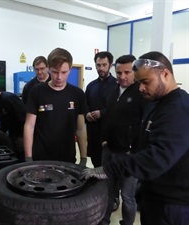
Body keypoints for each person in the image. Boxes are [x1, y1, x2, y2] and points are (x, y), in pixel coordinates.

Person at [81, 51, 189, 225]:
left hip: (174, 205)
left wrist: (109, 168)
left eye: (146, 82)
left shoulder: (179, 109)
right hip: (154, 197)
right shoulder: (156, 104)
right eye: (139, 83)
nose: (140, 88)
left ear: (166, 74)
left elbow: (158, 157)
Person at [99, 54, 146, 225]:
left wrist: (135, 149)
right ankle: (104, 220)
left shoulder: (142, 94)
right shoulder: (112, 92)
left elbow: (144, 125)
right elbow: (107, 117)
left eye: (127, 72)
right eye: (119, 73)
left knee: (127, 195)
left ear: (134, 72)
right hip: (110, 150)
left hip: (130, 155)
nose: (122, 76)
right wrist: (104, 140)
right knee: (107, 190)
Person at [24, 47, 87, 165]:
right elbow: (29, 126)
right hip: (41, 157)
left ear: (70, 69)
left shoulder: (77, 94)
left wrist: (83, 158)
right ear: (49, 69)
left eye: (64, 72)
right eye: (55, 72)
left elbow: (81, 128)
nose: (59, 77)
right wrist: (28, 158)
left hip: (67, 157)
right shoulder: (36, 92)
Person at [85, 51, 117, 168]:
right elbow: (85, 104)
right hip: (93, 134)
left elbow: (119, 109)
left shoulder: (117, 86)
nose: (101, 68)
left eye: (104, 65)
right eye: (98, 65)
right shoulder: (90, 86)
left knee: (109, 170)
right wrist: (87, 114)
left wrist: (102, 113)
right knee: (96, 165)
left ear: (111, 65)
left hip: (109, 136)